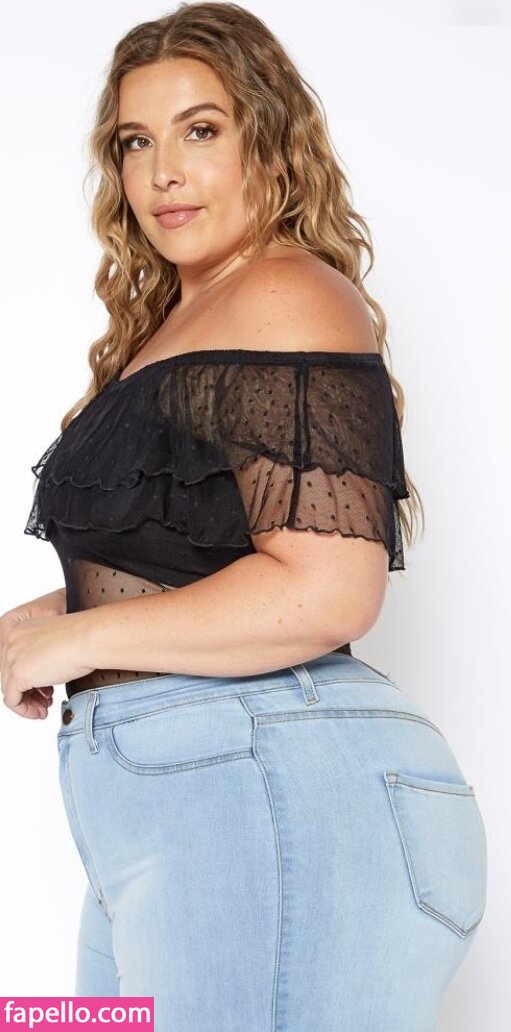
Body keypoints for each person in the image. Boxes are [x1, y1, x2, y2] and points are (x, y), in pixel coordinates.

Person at [1, 3, 487, 1029]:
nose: (163, 173)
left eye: (201, 129)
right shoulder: (180, 321)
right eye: (136, 142)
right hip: (181, 803)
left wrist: (77, 640)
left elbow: (325, 590)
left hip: (267, 788)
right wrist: (48, 619)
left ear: (269, 140)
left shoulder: (282, 292)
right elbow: (191, 556)